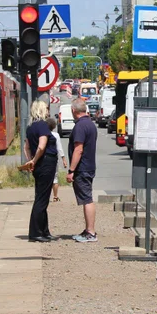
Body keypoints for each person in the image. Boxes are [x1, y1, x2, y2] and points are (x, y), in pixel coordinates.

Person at [20, 98, 57, 242]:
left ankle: (44, 231)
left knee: (42, 198)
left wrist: (30, 161)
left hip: (39, 165)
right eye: (46, 109)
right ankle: (35, 233)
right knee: (41, 200)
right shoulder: (42, 126)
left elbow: (26, 147)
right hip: (46, 163)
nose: (48, 111)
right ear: (41, 110)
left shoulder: (30, 127)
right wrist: (34, 161)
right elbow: (42, 146)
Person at [66, 97, 98, 242]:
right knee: (87, 198)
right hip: (89, 166)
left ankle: (90, 232)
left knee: (87, 199)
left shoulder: (79, 126)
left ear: (73, 110)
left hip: (82, 168)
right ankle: (88, 230)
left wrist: (71, 170)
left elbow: (78, 149)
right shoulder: (90, 124)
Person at [47, 116, 68, 202]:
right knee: (55, 177)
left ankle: (45, 196)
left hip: (43, 159)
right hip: (53, 159)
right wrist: (63, 159)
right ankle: (55, 196)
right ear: (54, 126)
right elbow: (59, 148)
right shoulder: (56, 135)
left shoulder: (43, 135)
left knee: (45, 178)